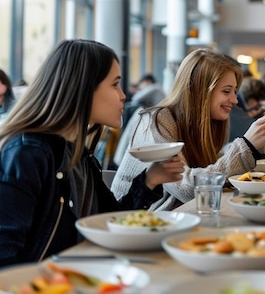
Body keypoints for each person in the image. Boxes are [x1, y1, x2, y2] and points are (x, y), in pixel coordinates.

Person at [0, 40, 184, 267]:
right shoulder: (28, 152)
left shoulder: (76, 150)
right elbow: (5, 256)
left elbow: (110, 221)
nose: (123, 95)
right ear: (83, 89)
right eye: (115, 84)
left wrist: (150, 180)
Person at [112, 48, 265, 211]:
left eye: (235, 92)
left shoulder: (203, 124)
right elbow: (187, 189)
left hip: (179, 217)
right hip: (133, 224)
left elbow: (212, 171)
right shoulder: (157, 121)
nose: (234, 100)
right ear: (199, 90)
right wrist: (245, 147)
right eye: (226, 91)